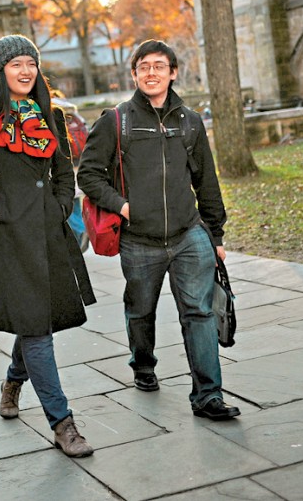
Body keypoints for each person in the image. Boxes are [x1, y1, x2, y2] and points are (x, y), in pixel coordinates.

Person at [0, 34, 97, 458]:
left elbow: (66, 171)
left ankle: (13, 381)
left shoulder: (52, 115)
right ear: (0, 72)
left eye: (31, 62)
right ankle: (63, 424)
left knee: (36, 323)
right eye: (16, 64)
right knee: (37, 328)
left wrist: (61, 206)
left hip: (46, 235)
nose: (25, 71)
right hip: (6, 239)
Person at [77, 39, 240, 421]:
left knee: (199, 313)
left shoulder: (190, 121)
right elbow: (88, 174)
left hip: (188, 235)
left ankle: (207, 396)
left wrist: (215, 236)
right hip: (139, 240)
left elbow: (207, 182)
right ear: (134, 74)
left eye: (159, 66)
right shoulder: (117, 120)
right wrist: (123, 206)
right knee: (140, 310)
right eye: (144, 66)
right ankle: (143, 363)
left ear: (173, 72)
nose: (151, 73)